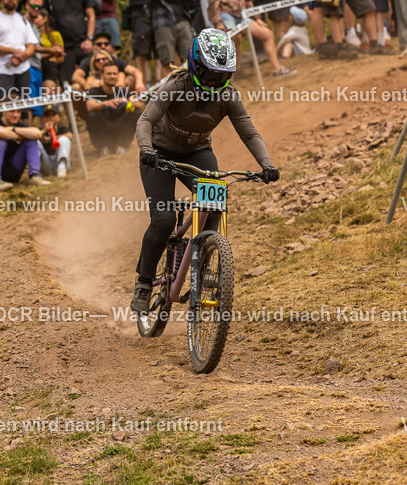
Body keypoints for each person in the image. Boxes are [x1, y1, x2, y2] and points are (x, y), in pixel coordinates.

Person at [131, 28, 279, 315]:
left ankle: (206, 256)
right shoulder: (176, 85)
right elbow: (145, 120)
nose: (215, 81)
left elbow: (249, 133)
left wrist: (267, 164)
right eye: (211, 74)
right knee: (162, 221)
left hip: (197, 152)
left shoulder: (228, 95)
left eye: (222, 76)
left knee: (214, 205)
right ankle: (144, 283)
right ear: (196, 65)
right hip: (158, 155)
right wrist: (146, 150)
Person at [207, 0, 288, 75]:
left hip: (242, 15)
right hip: (226, 15)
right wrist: (218, 22)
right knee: (235, 38)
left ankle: (277, 69)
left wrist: (257, 18)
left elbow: (248, 1)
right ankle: (236, 72)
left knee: (267, 34)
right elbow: (214, 4)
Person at [45, 0, 98, 86]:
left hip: (83, 45)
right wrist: (53, 46)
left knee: (93, 79)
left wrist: (89, 39)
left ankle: (97, 104)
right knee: (67, 85)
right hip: (64, 49)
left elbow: (91, 16)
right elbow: (44, 22)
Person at [0, 105, 51, 191]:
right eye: (12, 111)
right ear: (3, 111)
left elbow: (38, 134)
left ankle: (34, 176)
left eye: (18, 112)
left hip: (12, 172)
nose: (15, 115)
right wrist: (20, 136)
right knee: (0, 140)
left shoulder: (18, 125)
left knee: (31, 140)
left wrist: (13, 129)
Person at [84, 62, 144, 156]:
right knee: (92, 115)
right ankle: (103, 147)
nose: (112, 76)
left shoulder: (122, 91)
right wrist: (106, 103)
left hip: (120, 128)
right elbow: (89, 106)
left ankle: (122, 145)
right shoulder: (94, 91)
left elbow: (138, 104)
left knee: (137, 113)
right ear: (102, 75)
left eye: (115, 73)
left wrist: (126, 100)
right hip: (104, 127)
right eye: (109, 73)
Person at [72, 33, 144, 94]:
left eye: (106, 44)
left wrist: (139, 83)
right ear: (93, 47)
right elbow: (77, 77)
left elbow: (134, 71)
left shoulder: (118, 65)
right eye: (99, 44)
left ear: (111, 47)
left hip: (116, 94)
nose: (103, 46)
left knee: (130, 79)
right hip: (94, 96)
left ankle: (130, 102)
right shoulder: (88, 64)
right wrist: (94, 89)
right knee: (75, 86)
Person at [27, 0, 66, 95]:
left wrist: (53, 58)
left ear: (45, 19)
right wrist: (52, 52)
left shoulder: (55, 35)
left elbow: (61, 56)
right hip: (37, 65)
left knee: (49, 92)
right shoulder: (33, 32)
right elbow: (34, 52)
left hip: (50, 68)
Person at [39, 108, 72, 178]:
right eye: (47, 115)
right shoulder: (41, 131)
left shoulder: (63, 129)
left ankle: (62, 166)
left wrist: (51, 138)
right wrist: (44, 131)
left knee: (64, 139)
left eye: (53, 115)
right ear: (44, 119)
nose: (50, 117)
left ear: (58, 118)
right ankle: (35, 173)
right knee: (35, 142)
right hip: (46, 164)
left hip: (60, 161)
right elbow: (34, 137)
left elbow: (70, 136)